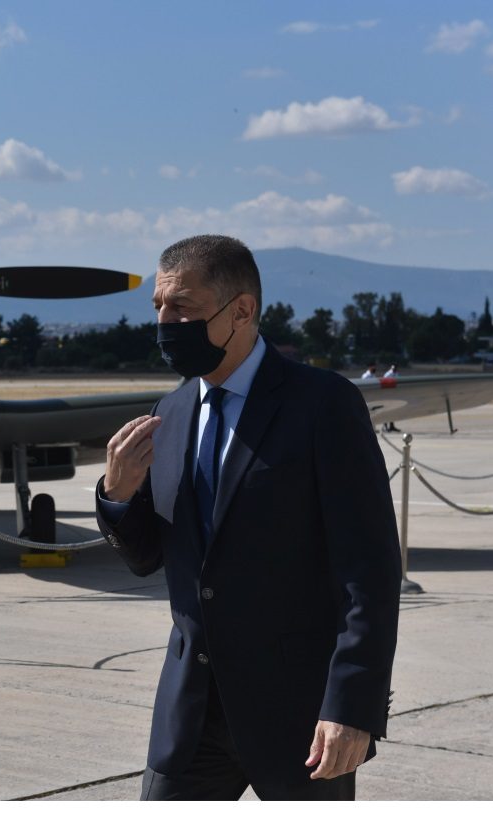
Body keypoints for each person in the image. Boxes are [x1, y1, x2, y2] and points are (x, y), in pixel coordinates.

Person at [96, 235, 400, 801]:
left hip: (300, 719)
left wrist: (352, 707)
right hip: (191, 716)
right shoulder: (171, 412)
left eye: (182, 307)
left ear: (241, 311)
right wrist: (117, 495)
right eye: (159, 306)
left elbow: (370, 570)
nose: (165, 322)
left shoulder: (322, 405)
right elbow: (147, 558)